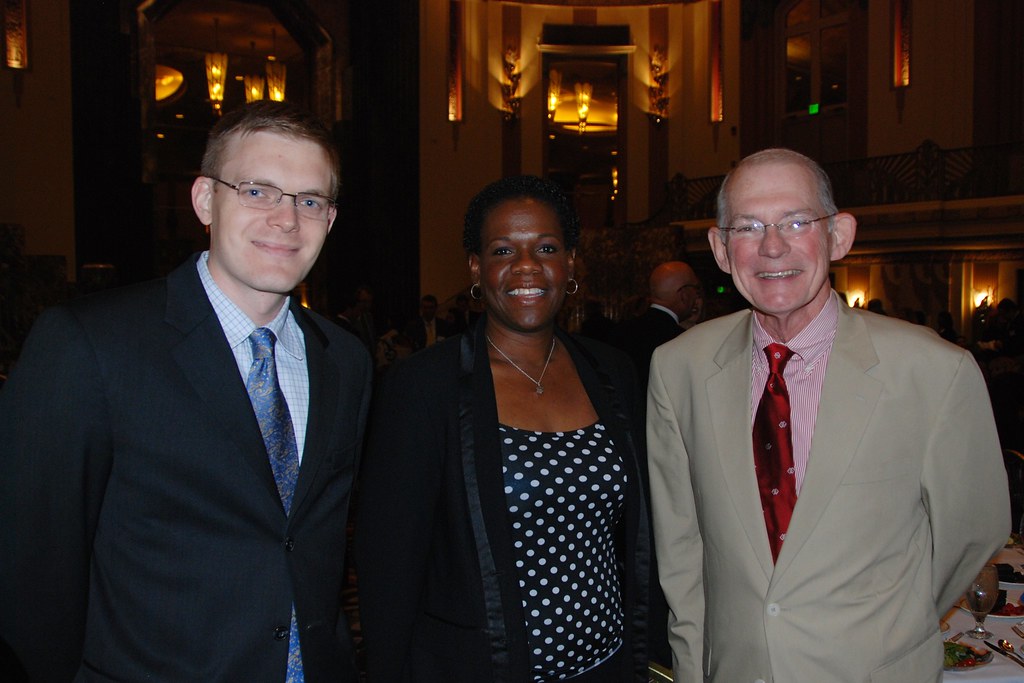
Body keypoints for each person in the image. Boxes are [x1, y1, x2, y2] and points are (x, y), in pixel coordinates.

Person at [0, 101, 373, 682]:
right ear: (204, 200)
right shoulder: (91, 343)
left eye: (309, 200)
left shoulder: (345, 359)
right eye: (258, 191)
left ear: (329, 218)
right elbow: (31, 561)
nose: (286, 219)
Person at [646, 148, 1008, 682]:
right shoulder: (679, 368)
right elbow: (681, 552)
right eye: (748, 227)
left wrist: (890, 623)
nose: (772, 246)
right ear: (720, 249)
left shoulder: (934, 371)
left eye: (796, 221)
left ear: (839, 235)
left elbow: (972, 534)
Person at [355, 175, 650, 682]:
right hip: (480, 668)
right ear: (476, 268)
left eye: (547, 248)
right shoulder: (424, 387)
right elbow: (388, 565)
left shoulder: (612, 371)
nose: (527, 265)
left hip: (607, 666)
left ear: (570, 263)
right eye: (503, 250)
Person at [610, 260, 701, 390]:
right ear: (684, 295)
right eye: (695, 289)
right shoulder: (681, 339)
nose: (696, 297)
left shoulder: (620, 331)